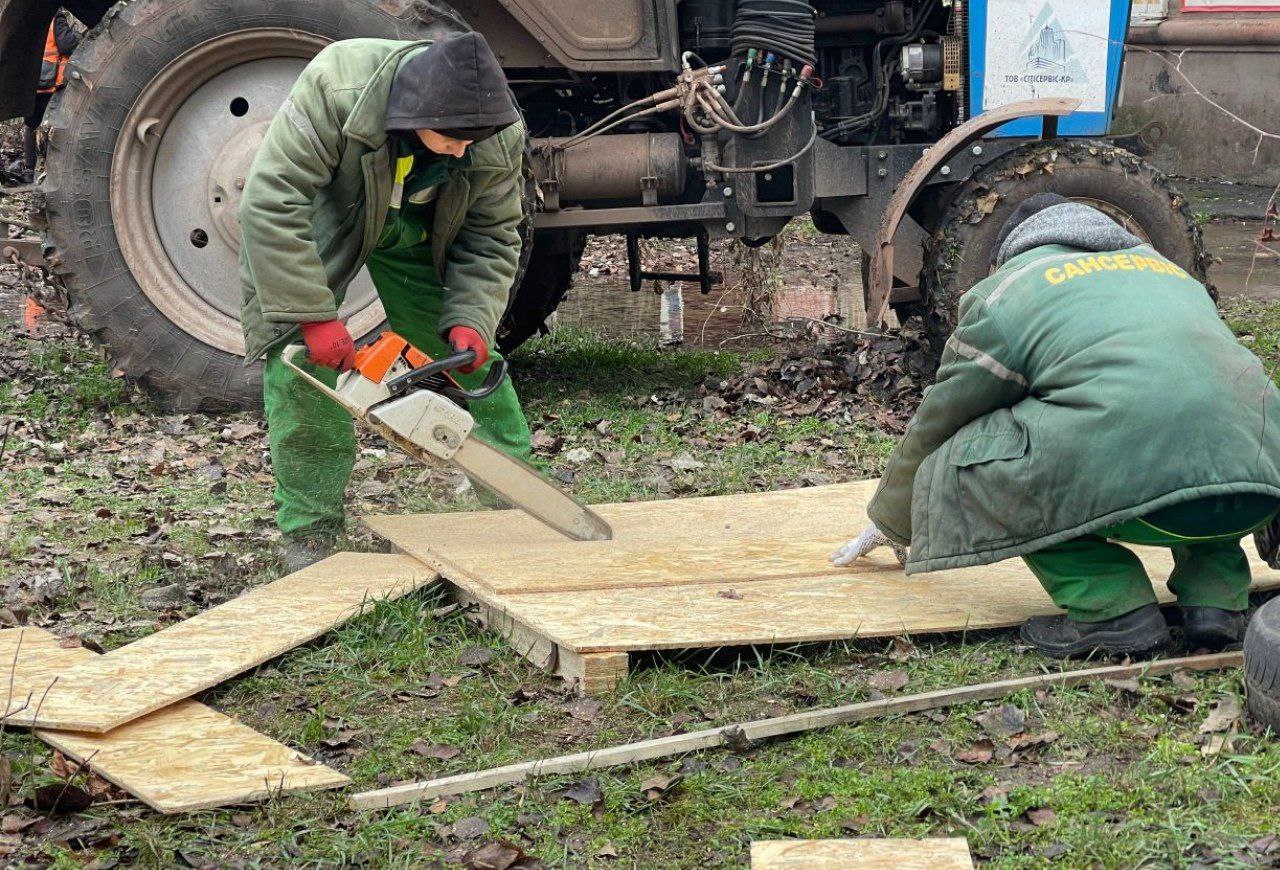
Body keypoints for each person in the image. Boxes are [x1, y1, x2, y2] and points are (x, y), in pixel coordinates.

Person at [831, 193, 1280, 659]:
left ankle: (1111, 608)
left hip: (1150, 504)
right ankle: (1217, 601)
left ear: (1014, 248)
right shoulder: (1170, 273)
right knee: (1210, 427)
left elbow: (943, 416)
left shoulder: (1010, 290)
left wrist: (890, 519)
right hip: (1257, 488)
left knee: (970, 455)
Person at [238, 33, 531, 571]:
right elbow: (270, 202)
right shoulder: (337, 88)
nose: (464, 149)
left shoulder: (494, 134)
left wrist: (470, 318)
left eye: (474, 140)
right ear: (414, 109)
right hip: (336, 210)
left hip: (418, 226)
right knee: (299, 366)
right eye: (453, 138)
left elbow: (492, 235)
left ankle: (522, 500)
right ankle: (311, 532)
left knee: (474, 356)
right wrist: (313, 315)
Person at [23, 10, 79, 184]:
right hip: (52, 83)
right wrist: (76, 36)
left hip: (31, 83)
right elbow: (67, 45)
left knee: (30, 126)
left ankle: (28, 171)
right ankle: (53, 172)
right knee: (55, 128)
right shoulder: (56, 18)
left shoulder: (28, 20)